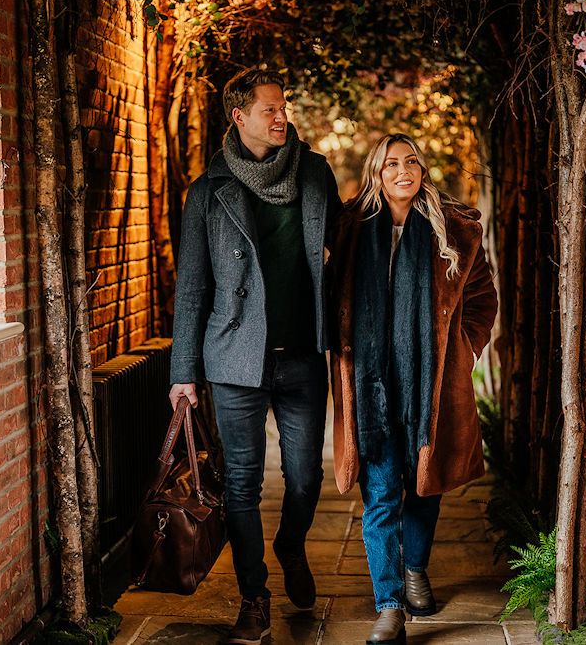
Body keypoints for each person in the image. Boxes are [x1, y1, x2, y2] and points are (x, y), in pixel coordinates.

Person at [169, 67, 342, 645]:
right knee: (242, 484)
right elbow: (191, 286)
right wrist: (183, 374)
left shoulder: (314, 174)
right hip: (234, 358)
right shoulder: (207, 190)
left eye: (283, 106)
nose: (280, 117)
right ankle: (253, 597)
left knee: (304, 476)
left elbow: (343, 253)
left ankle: (291, 545)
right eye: (269, 109)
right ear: (238, 116)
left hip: (301, 355)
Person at [327, 133, 498, 645]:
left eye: (411, 162)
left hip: (432, 384)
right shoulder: (351, 229)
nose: (403, 170)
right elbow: (331, 296)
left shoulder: (457, 231)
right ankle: (389, 604)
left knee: (425, 485)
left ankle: (416, 568)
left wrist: (463, 352)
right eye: (391, 164)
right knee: (381, 494)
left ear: (421, 169)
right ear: (377, 173)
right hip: (372, 386)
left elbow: (482, 299)